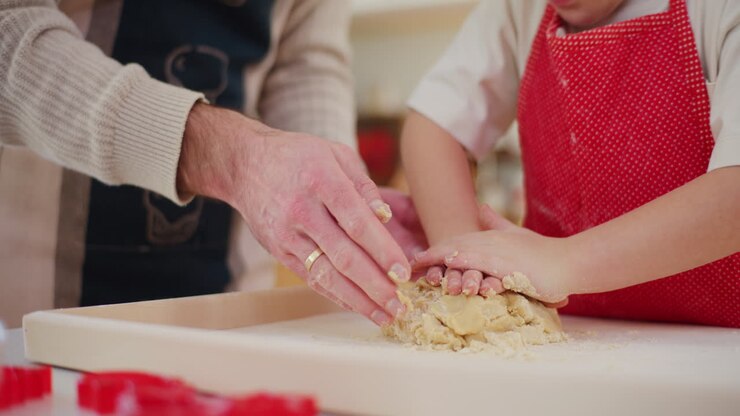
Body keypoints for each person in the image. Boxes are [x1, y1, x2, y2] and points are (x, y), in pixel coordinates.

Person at [0, 0, 425, 328]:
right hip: (34, 298)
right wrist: (232, 158)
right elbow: (8, 32)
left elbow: (304, 62)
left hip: (230, 300)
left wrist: (341, 200)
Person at [402, 0, 740, 326]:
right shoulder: (518, 8)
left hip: (721, 343)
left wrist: (563, 261)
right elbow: (433, 126)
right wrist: (465, 257)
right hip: (576, 331)